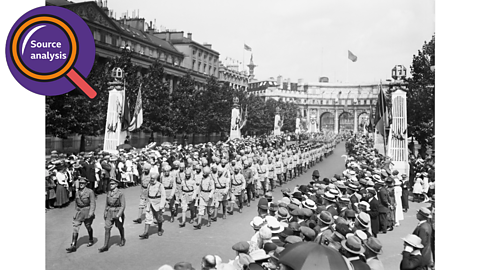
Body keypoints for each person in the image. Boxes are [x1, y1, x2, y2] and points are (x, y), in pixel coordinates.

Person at [66, 177, 96, 252]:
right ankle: (73, 245)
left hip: (87, 211)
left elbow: (92, 203)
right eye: (80, 183)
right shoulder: (77, 192)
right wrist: (75, 213)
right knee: (75, 227)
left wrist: (91, 213)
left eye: (83, 183)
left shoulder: (90, 192)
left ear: (86, 184)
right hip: (79, 212)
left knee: (88, 226)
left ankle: (91, 239)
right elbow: (76, 203)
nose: (81, 185)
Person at [99, 178, 126, 252]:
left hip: (117, 212)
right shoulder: (108, 193)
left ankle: (122, 238)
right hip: (109, 212)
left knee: (120, 227)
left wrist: (119, 214)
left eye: (113, 184)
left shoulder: (120, 193)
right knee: (107, 228)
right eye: (110, 184)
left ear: (116, 185)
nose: (111, 185)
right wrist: (105, 212)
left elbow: (123, 206)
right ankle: (105, 245)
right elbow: (106, 204)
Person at [140, 172, 166, 238]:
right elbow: (147, 194)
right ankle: (145, 232)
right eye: (151, 178)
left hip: (157, 203)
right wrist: (145, 202)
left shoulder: (160, 185)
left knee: (159, 218)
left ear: (156, 178)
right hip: (150, 203)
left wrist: (162, 205)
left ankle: (159, 229)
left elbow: (163, 196)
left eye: (153, 178)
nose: (151, 179)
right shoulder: (149, 185)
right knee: (147, 217)